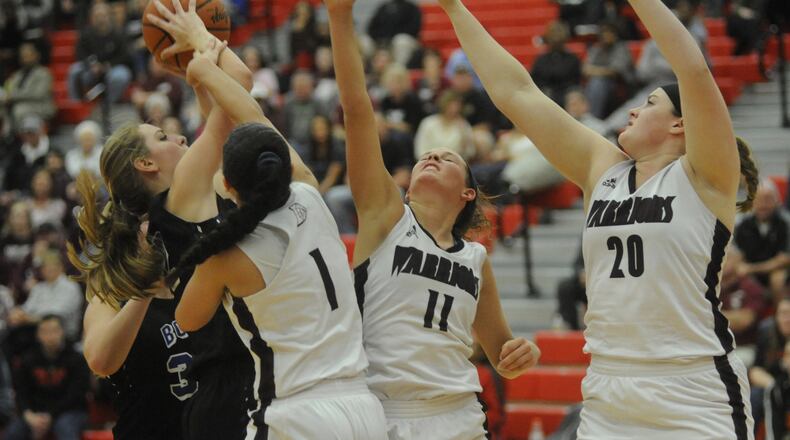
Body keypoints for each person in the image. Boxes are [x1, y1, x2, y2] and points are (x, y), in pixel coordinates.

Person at [437, 0, 760, 437]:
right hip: (608, 390)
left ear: (681, 124)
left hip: (692, 389)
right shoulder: (602, 168)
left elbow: (693, 69)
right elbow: (517, 93)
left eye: (648, 103)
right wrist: (454, 8)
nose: (632, 110)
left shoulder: (706, 176)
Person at [326, 1, 540, 438]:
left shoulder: (476, 259)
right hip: (382, 410)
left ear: (467, 193)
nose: (433, 154)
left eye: (447, 157)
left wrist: (522, 354)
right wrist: (339, 16)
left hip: (459, 414)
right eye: (427, 154)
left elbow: (501, 354)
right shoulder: (385, 215)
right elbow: (357, 110)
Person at [67, 1, 259, 438]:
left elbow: (223, 110)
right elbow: (100, 360)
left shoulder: (195, 193)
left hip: (220, 418)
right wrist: (142, 290)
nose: (177, 135)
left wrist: (197, 69)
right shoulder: (121, 271)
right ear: (146, 166)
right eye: (161, 136)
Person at [170, 122, 387, 439]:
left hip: (296, 415)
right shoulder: (311, 196)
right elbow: (257, 124)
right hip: (364, 410)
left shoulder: (228, 256)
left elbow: (186, 319)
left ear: (228, 184)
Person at [5, 315, 90, 440]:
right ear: (38, 335)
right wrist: (29, 415)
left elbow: (76, 395)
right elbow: (21, 392)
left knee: (66, 428)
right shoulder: (27, 360)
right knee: (13, 432)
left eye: (54, 330)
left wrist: (50, 415)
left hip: (69, 411)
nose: (50, 335)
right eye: (45, 331)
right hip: (35, 413)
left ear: (62, 332)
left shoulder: (76, 359)